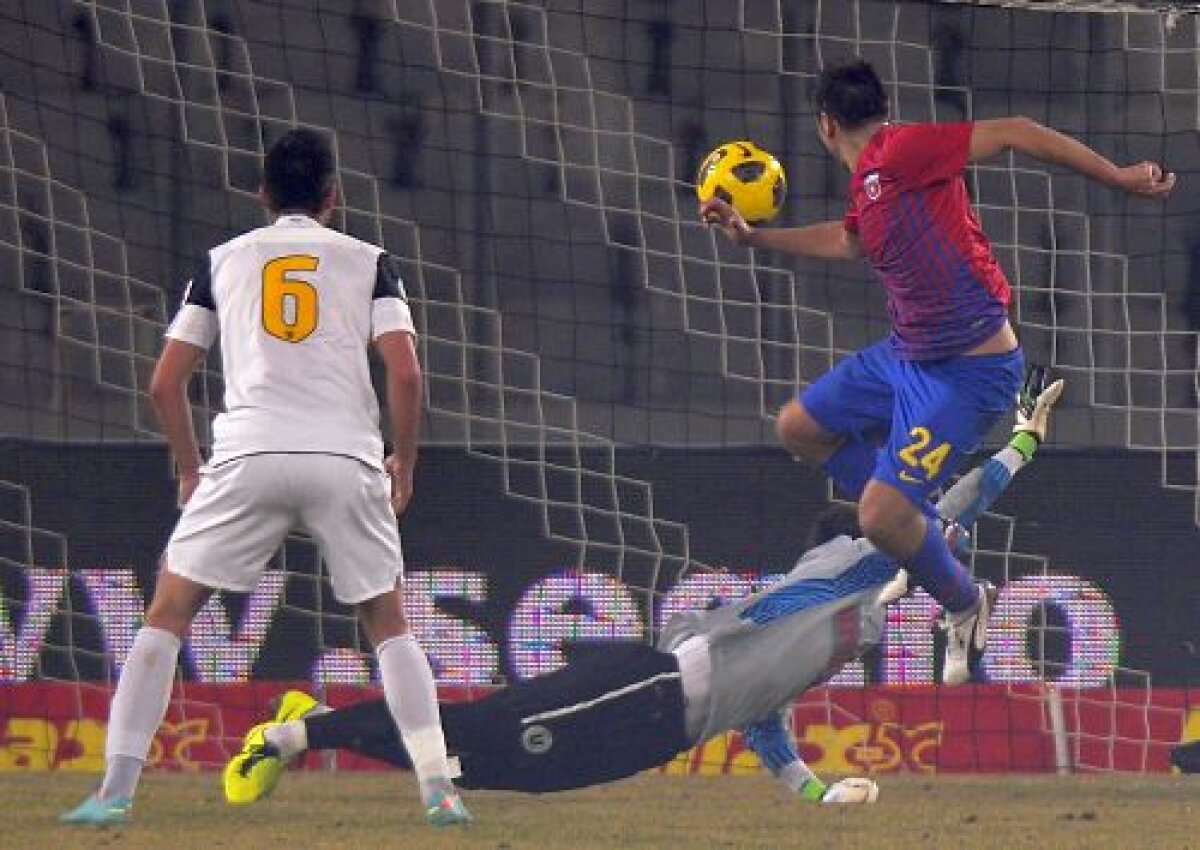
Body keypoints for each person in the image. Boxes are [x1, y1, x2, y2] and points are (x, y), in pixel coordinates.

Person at [222, 369, 1063, 806]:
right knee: (471, 739)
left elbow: (760, 721)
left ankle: (312, 724)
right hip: (650, 688)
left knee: (477, 767)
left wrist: (817, 794)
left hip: (651, 735)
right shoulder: (852, 572)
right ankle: (290, 737)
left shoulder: (845, 634)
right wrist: (1022, 443)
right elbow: (953, 508)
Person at [700, 58, 1173, 686]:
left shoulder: (902, 150)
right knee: (799, 428)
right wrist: (753, 239)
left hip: (968, 372)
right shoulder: (870, 180)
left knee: (877, 518)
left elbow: (1016, 129)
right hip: (906, 355)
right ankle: (929, 530)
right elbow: (849, 242)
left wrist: (1117, 176)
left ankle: (966, 600)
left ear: (825, 124)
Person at [62, 128, 470, 828]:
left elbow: (165, 383)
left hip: (249, 452)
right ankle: (440, 791)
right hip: (343, 456)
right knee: (388, 623)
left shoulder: (221, 261)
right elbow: (405, 373)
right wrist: (403, 459)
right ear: (333, 197)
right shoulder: (370, 261)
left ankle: (114, 792)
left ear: (261, 194)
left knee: (168, 613)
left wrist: (189, 468)